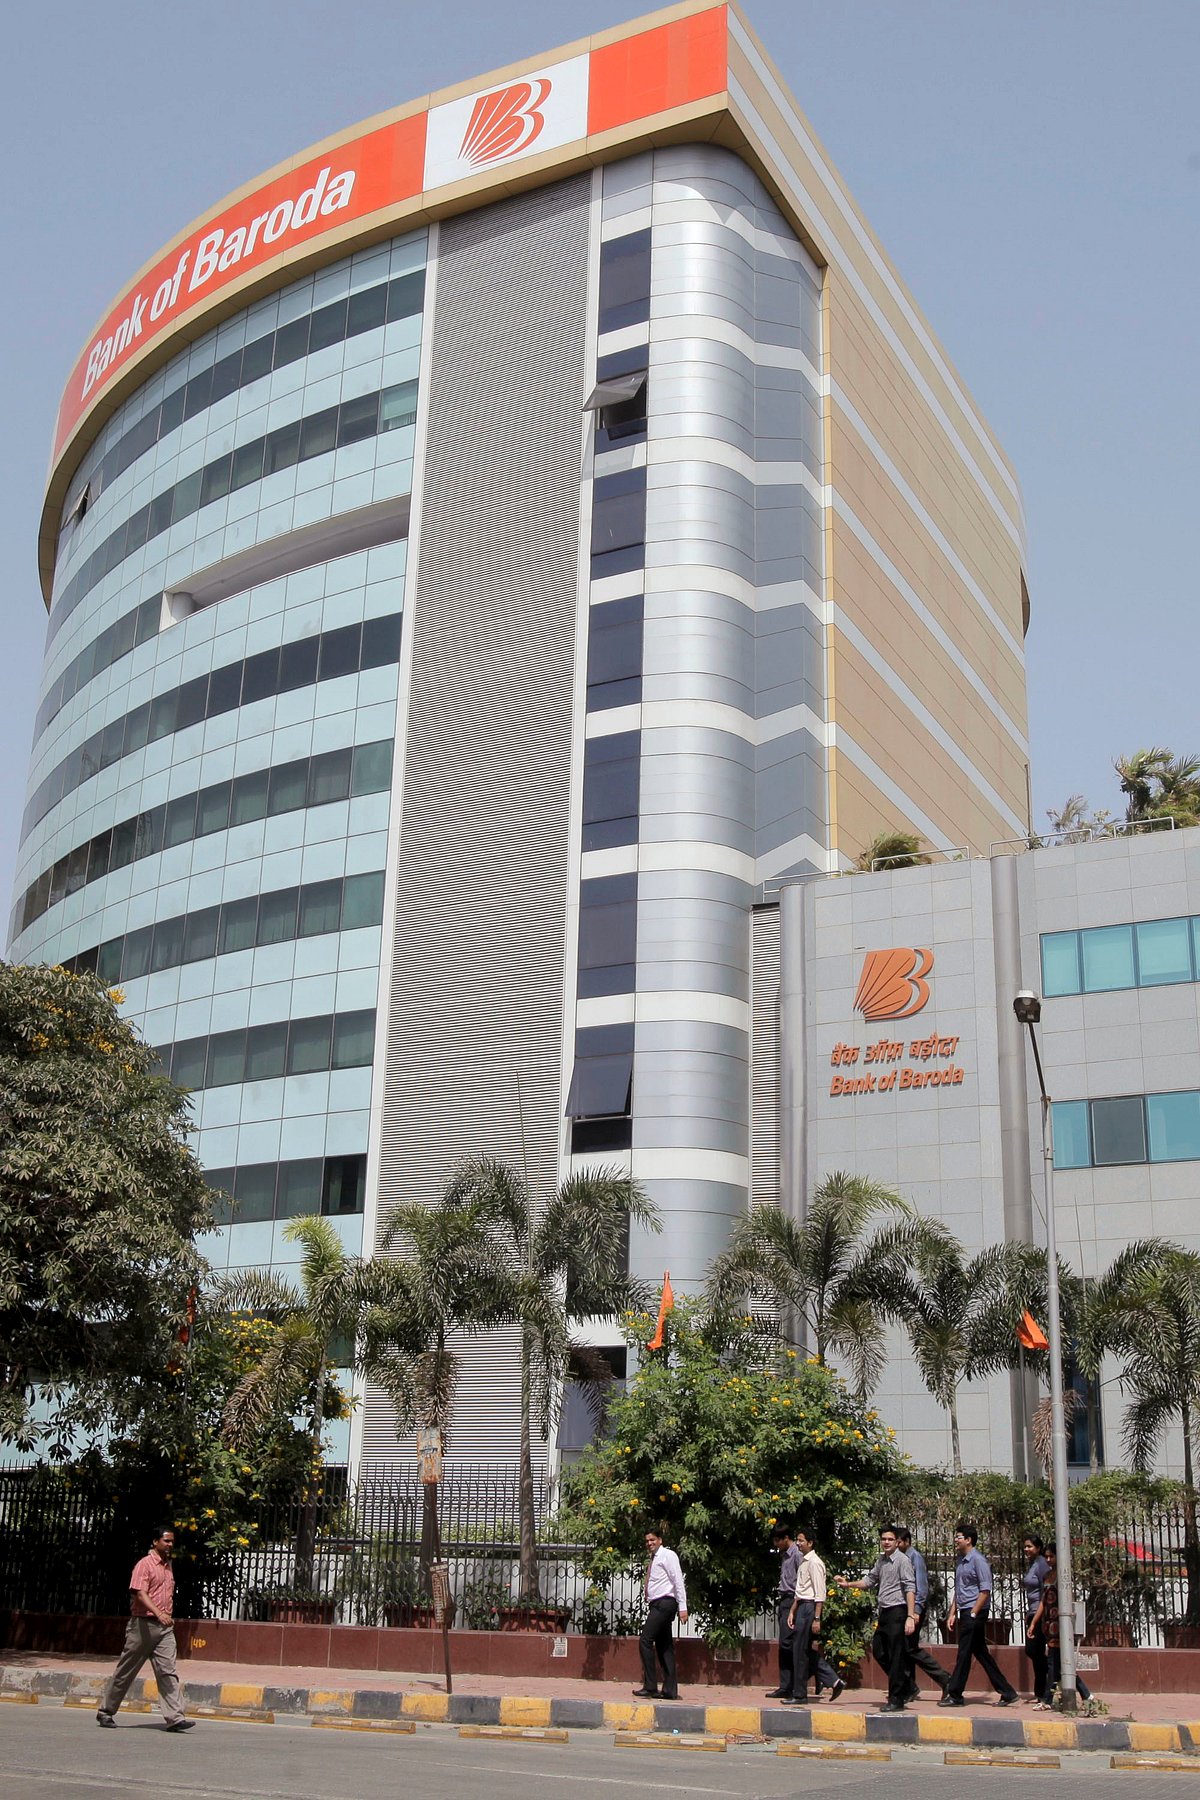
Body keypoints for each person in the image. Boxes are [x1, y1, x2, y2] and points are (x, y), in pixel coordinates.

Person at [96, 1527, 195, 1731]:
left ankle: (175, 1717)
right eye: (166, 1541)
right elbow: (140, 1593)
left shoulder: (168, 1566)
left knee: (168, 1671)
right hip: (142, 1625)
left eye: (172, 1541)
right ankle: (106, 1711)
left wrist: (164, 1616)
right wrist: (158, 1613)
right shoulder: (144, 1564)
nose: (169, 1545)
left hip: (164, 1628)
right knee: (126, 1671)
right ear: (155, 1542)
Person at [835, 1524, 917, 1712]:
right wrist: (847, 1584)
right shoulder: (881, 1561)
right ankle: (907, 1685)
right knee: (879, 1651)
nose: (886, 1542)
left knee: (896, 1656)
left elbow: (910, 1588)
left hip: (898, 1611)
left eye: (890, 1539)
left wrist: (910, 1616)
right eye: (883, 1539)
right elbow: (869, 1581)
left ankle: (896, 1699)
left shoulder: (903, 1561)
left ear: (897, 1542)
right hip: (885, 1612)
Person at [939, 1523, 1019, 1707]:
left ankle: (955, 1694)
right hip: (965, 1610)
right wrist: (952, 1613)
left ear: (968, 1540)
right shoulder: (960, 1560)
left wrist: (974, 1613)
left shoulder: (978, 1560)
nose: (956, 1540)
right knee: (981, 1653)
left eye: (959, 1537)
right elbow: (959, 1591)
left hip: (975, 1612)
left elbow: (985, 1590)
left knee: (964, 1652)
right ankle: (1007, 1692)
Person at [783, 1525, 845, 1703]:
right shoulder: (803, 1561)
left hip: (809, 1608)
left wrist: (817, 1618)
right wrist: (793, 1611)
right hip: (801, 1606)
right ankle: (833, 1680)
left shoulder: (815, 1563)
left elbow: (819, 1594)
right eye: (798, 1540)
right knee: (800, 1649)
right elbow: (800, 1590)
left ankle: (800, 1694)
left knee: (800, 1651)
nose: (798, 1543)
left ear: (810, 1543)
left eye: (801, 1540)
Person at [1029, 1542, 1092, 1708]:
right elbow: (1043, 1600)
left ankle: (1047, 1700)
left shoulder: (1063, 1576)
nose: (1049, 1559)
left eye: (1052, 1556)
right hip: (1049, 1624)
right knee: (1058, 1664)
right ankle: (1086, 1694)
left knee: (1055, 1663)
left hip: (1060, 1624)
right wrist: (1035, 1621)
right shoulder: (1047, 1575)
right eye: (1046, 1556)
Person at [633, 1527, 687, 1701]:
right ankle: (670, 1690)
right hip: (657, 1603)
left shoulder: (668, 1556)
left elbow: (678, 1580)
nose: (649, 1543)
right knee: (664, 1645)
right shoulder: (654, 1558)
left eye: (652, 1540)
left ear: (660, 1540)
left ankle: (650, 1686)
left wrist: (683, 1606)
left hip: (665, 1603)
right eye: (647, 1541)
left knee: (645, 1640)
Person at [895, 1527, 949, 1700]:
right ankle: (909, 1687)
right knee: (905, 1648)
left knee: (910, 1647)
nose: (896, 1545)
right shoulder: (900, 1558)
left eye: (899, 1542)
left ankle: (945, 1679)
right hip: (904, 1608)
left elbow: (922, 1586)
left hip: (914, 1609)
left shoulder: (914, 1557)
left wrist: (916, 1610)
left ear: (907, 1542)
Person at [765, 1524, 802, 1699]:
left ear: (786, 1538)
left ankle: (796, 1684)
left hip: (793, 1600)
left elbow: (802, 1582)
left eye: (778, 1541)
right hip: (785, 1600)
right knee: (784, 1644)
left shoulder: (796, 1555)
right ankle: (785, 1686)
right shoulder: (785, 1555)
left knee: (789, 1644)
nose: (776, 1544)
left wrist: (795, 1606)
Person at [1021, 1534, 1051, 1700]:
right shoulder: (1032, 1564)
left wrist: (1035, 1620)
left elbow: (1045, 1595)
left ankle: (1055, 1675)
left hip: (1039, 1614)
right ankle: (1041, 1691)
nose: (1026, 1549)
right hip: (1032, 1612)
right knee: (1035, 1652)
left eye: (1030, 1546)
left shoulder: (1041, 1564)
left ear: (1038, 1548)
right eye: (1025, 1546)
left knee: (1033, 1650)